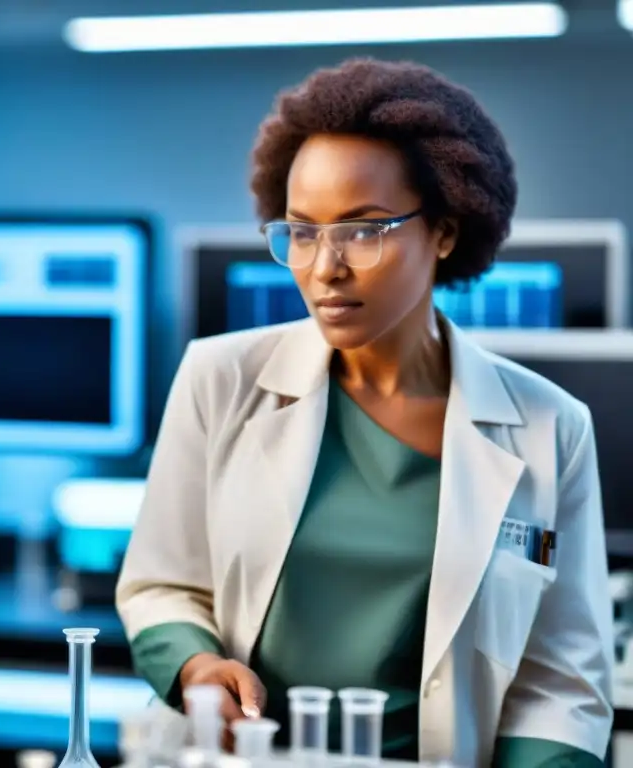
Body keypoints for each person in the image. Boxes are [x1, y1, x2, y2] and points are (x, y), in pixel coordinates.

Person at [117, 58, 612, 767]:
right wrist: (194, 667)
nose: (325, 268)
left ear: (443, 232)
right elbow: (163, 583)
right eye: (303, 231)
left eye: (364, 230)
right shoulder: (219, 378)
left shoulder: (548, 428)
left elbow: (560, 677)